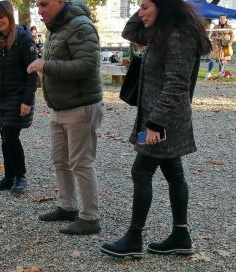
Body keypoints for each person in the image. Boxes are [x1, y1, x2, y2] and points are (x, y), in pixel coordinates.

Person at [99, 0, 211, 258]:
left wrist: (155, 124)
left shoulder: (178, 34)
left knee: (141, 171)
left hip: (164, 121)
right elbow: (129, 32)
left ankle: (133, 239)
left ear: (165, 6)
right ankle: (180, 236)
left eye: (145, 6)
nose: (140, 13)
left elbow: (176, 84)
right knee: (174, 172)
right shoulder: (160, 30)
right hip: (158, 118)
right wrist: (147, 13)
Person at [27, 0, 104, 235]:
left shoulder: (80, 25)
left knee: (81, 162)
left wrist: (47, 66)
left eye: (44, 4)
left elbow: (88, 65)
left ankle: (90, 218)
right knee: (60, 160)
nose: (39, 10)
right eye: (37, 5)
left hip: (81, 106)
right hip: (60, 107)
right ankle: (68, 206)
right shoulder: (57, 27)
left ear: (61, 2)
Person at [0, 1, 38, 193]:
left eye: (1, 17)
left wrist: (27, 101)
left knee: (11, 137)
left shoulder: (23, 38)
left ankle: (20, 176)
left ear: (10, 17)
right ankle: (9, 176)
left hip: (18, 97)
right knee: (5, 139)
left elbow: (33, 73)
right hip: (1, 98)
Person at [205, 14, 233, 79]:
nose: (222, 19)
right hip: (216, 45)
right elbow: (211, 36)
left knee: (223, 60)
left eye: (223, 18)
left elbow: (232, 36)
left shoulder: (229, 26)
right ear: (219, 19)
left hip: (225, 45)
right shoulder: (215, 27)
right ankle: (209, 73)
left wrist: (230, 43)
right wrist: (215, 37)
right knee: (212, 59)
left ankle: (220, 73)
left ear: (226, 19)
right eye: (221, 18)